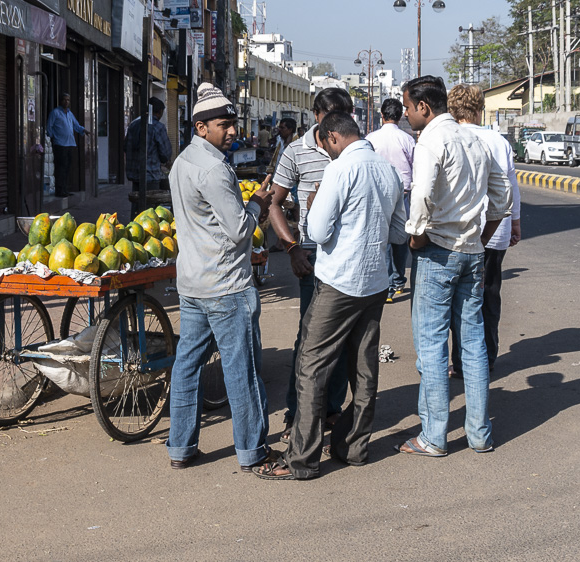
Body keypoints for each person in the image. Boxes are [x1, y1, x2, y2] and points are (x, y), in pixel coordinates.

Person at [254, 112, 407, 480]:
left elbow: (319, 231)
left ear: (332, 138)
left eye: (325, 145)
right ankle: (353, 447)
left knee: (311, 365)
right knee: (363, 368)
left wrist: (317, 200)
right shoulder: (388, 171)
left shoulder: (339, 171)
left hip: (339, 281)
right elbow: (400, 234)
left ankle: (302, 459)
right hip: (374, 281)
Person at [398, 76, 511, 458]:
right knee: (472, 344)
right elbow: (502, 194)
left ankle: (433, 436)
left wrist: (415, 236)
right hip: (472, 252)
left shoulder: (432, 139)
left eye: (409, 107)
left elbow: (422, 194)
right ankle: (479, 434)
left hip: (438, 253)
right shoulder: (475, 139)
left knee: (431, 346)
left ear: (424, 108)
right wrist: (484, 233)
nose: (407, 114)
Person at [166, 83, 274, 473]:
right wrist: (258, 203)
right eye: (224, 125)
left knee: (187, 366)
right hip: (226, 286)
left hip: (194, 282)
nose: (232, 131)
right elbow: (240, 230)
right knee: (241, 370)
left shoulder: (183, 162)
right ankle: (252, 452)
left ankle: (180, 447)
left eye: (233, 123)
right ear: (200, 127)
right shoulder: (214, 169)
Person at [265, 87, 354, 444]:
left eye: (344, 113)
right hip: (313, 260)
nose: (338, 120)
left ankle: (331, 408)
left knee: (344, 341)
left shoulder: (354, 149)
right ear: (316, 114)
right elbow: (274, 203)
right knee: (308, 341)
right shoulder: (295, 152)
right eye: (332, 113)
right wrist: (292, 249)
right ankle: (297, 413)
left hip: (348, 260)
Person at [448, 85, 522, 375]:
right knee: (489, 293)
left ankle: (460, 361)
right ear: (480, 109)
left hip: (461, 231)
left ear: (452, 110)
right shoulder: (498, 141)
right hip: (496, 229)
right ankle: (487, 358)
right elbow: (510, 186)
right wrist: (515, 222)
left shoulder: (450, 137)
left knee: (459, 298)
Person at [366, 98, 416, 302]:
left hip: (379, 193)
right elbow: (416, 165)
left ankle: (387, 284)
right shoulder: (407, 139)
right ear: (399, 115)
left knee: (383, 238)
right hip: (403, 192)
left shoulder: (371, 138)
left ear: (382, 114)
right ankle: (397, 280)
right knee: (401, 238)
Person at [125, 96, 173, 193]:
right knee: (150, 205)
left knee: (136, 204)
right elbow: (165, 154)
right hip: (150, 175)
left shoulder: (133, 125)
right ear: (159, 112)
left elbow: (125, 147)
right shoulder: (158, 127)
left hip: (134, 174)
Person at [46, 93, 86, 198]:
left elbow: (76, 125)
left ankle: (65, 189)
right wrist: (53, 137)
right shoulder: (55, 113)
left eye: (68, 100)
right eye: (64, 100)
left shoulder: (69, 113)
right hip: (60, 144)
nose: (66, 102)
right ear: (60, 101)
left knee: (67, 168)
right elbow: (49, 126)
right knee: (60, 168)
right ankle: (59, 191)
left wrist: (83, 130)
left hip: (70, 144)